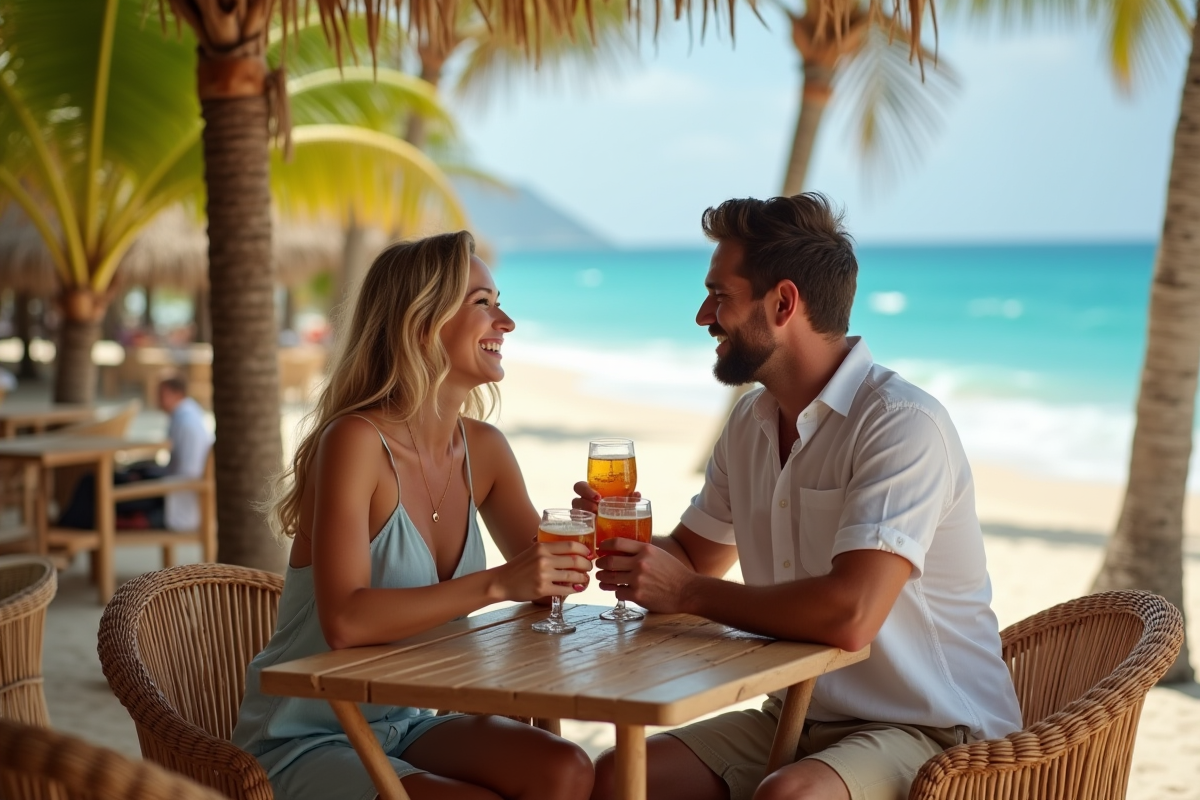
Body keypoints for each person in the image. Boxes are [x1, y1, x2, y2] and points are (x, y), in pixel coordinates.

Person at [580, 194, 1022, 800]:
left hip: (935, 733)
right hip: (798, 718)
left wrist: (683, 591)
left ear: (783, 302)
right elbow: (692, 556)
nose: (703, 315)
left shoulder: (900, 424)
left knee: (791, 796)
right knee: (621, 777)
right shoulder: (751, 423)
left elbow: (849, 615)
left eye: (720, 295)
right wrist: (623, 543)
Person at [232, 232, 595, 800]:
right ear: (423, 321)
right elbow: (346, 622)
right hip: (305, 734)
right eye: (483, 303)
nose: (507, 321)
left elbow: (546, 590)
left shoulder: (486, 450)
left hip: (407, 720)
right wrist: (501, 581)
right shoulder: (356, 441)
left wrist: (576, 543)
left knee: (567, 769)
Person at [58, 376, 212, 530]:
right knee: (99, 481)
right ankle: (68, 527)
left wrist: (150, 479)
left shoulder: (187, 424)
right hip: (168, 491)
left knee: (94, 484)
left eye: (162, 394)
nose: (156, 398)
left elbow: (189, 473)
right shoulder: (186, 416)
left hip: (172, 501)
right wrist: (146, 473)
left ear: (178, 394)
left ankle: (65, 530)